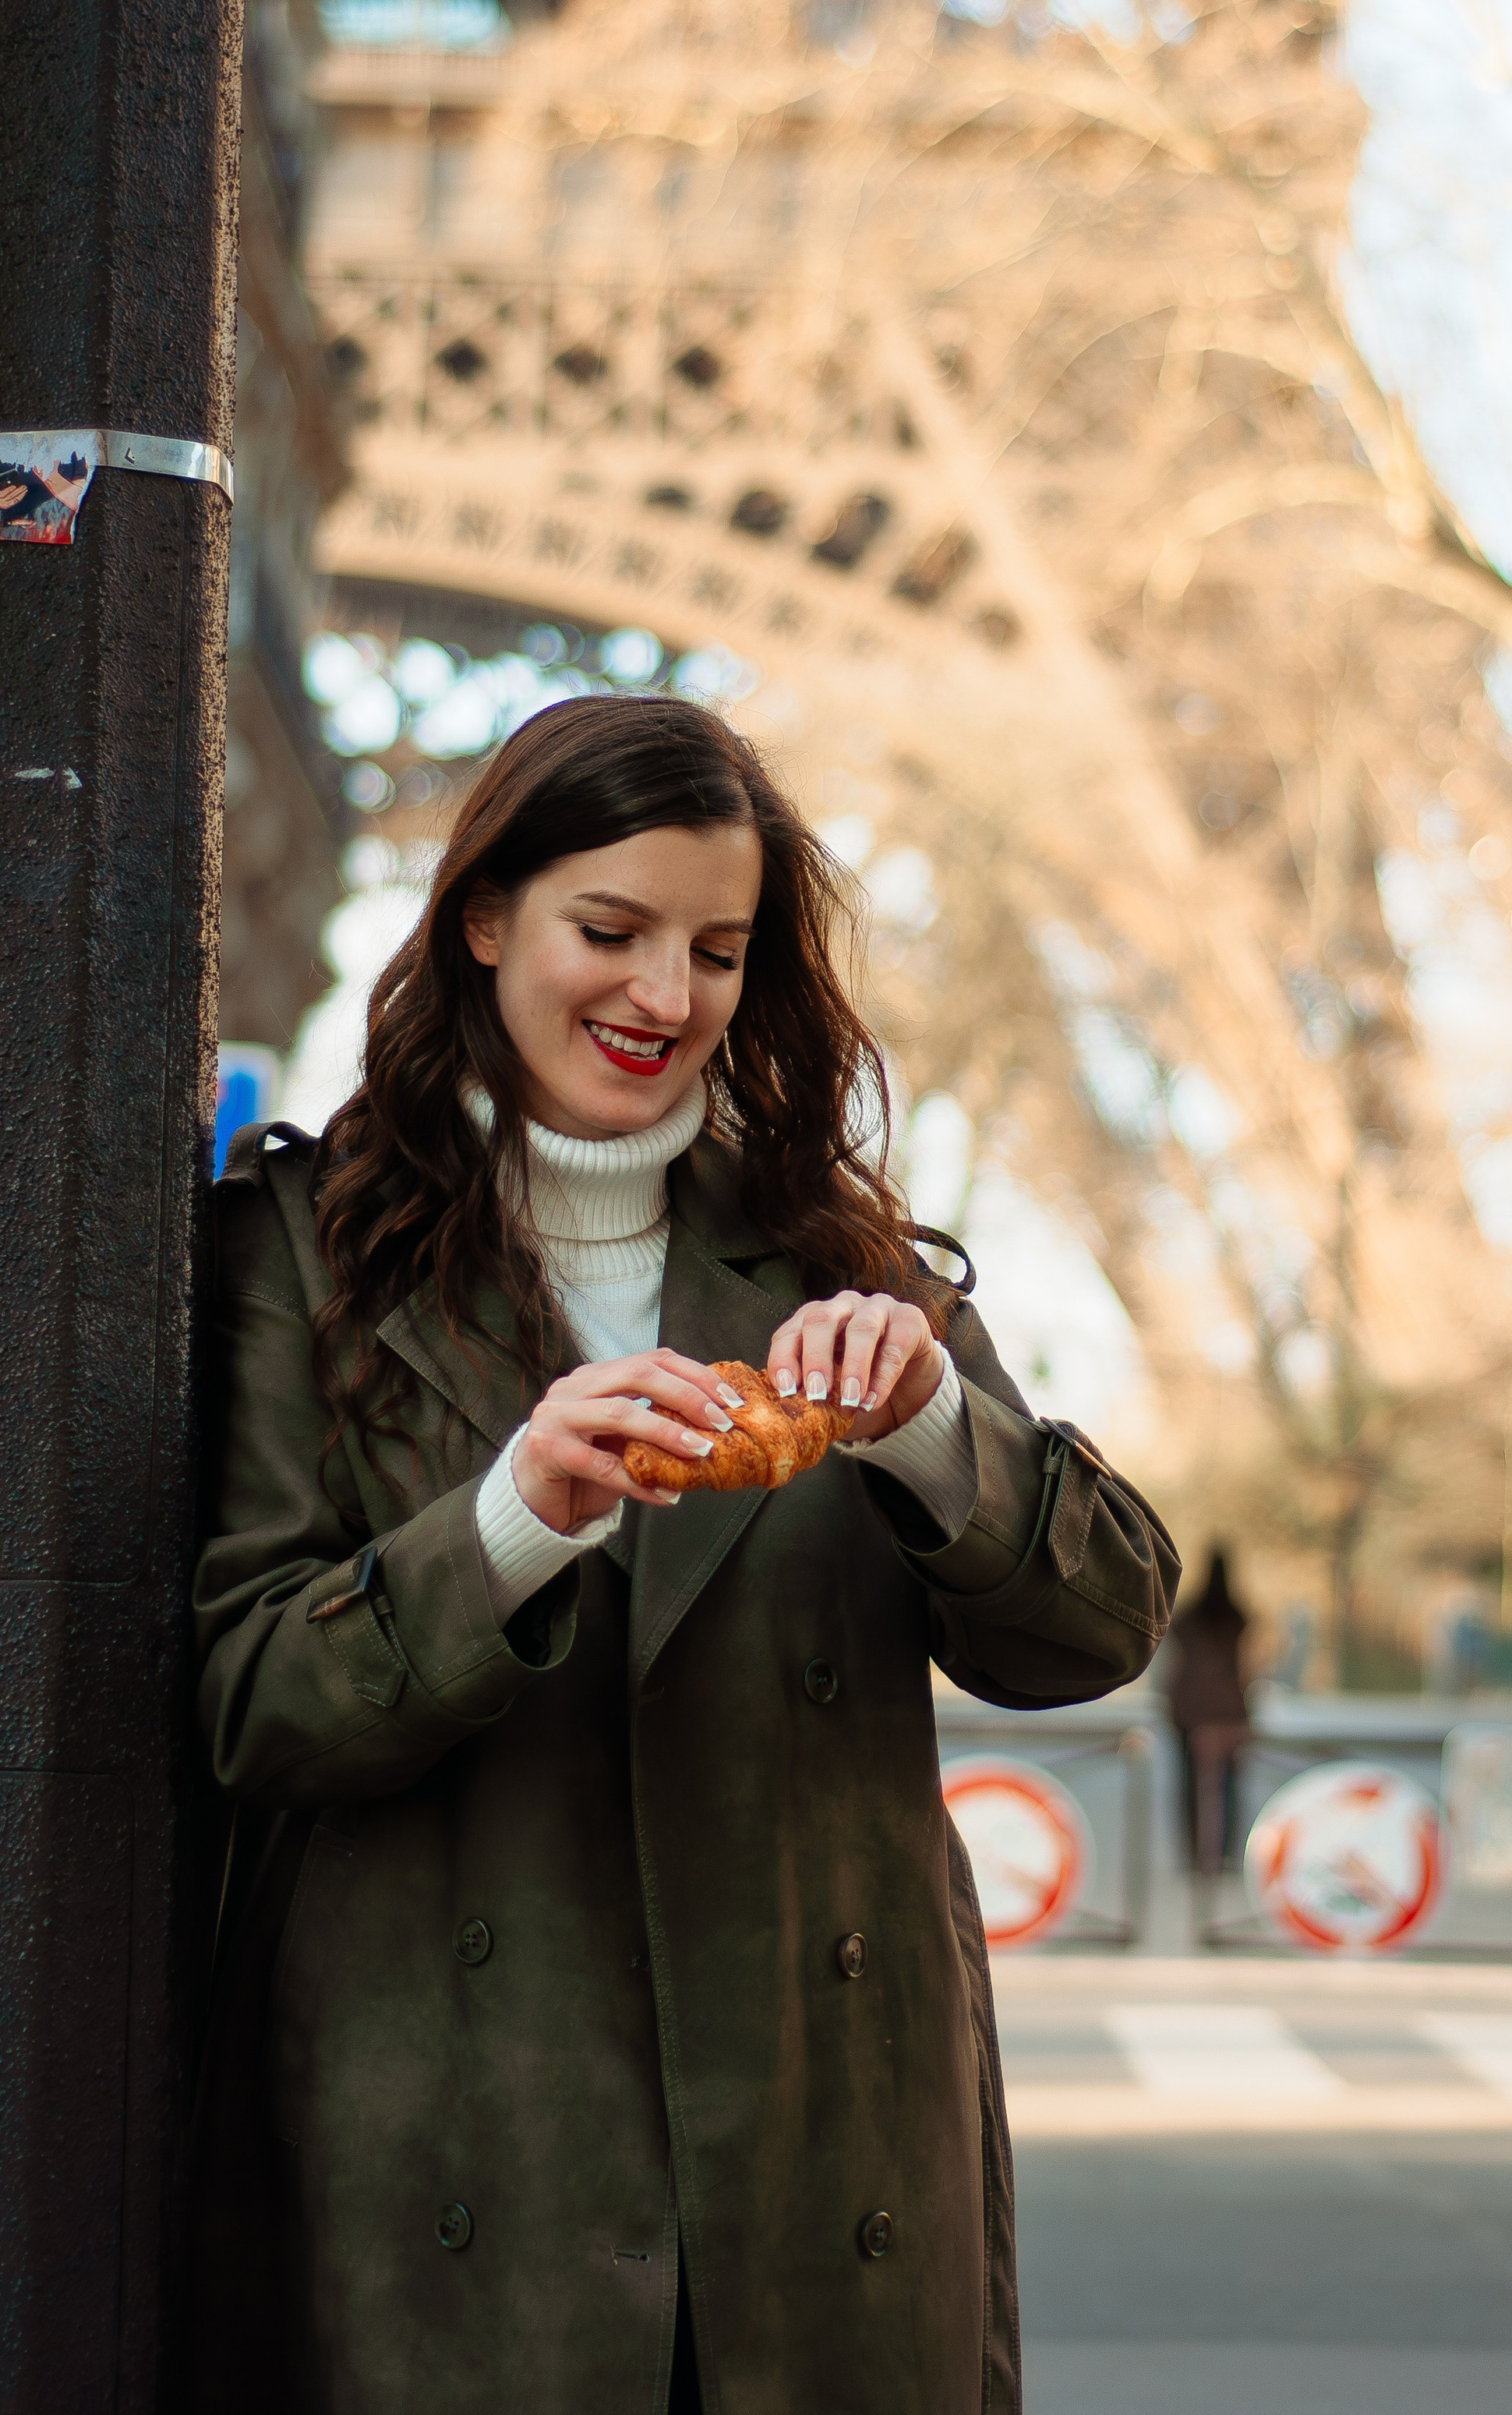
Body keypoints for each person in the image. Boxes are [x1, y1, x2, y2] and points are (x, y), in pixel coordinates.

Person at [189, 694, 1178, 2415]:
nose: (665, 997)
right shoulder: (298, 1252)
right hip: (452, 2170)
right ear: (484, 915)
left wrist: (933, 1429)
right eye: (611, 929)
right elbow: (250, 1703)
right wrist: (511, 1525)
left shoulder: (844, 1263)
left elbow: (1100, 1624)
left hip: (819, 2162)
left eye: (716, 950)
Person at [1163, 1548, 1252, 1877]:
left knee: (1189, 1785)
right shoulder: (1237, 1618)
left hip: (1189, 1712)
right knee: (1229, 1786)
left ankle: (1195, 1854)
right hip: (1228, 1711)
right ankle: (1225, 1853)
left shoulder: (1188, 1619)